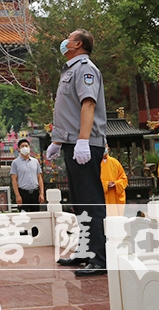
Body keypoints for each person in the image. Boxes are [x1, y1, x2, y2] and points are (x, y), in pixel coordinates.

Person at [45, 29, 107, 276]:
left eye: (68, 38)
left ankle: (99, 257)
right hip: (72, 144)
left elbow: (88, 105)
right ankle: (84, 251)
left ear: (78, 44)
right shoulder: (70, 70)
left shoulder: (85, 69)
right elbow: (67, 112)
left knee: (91, 200)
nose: (64, 41)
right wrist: (58, 142)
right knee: (79, 201)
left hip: (86, 144)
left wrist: (83, 141)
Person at [10, 138, 45, 212]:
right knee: (24, 217)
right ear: (19, 149)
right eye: (22, 146)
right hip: (23, 193)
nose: (25, 148)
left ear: (29, 148)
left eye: (26, 146)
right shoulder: (15, 163)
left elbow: (39, 178)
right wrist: (17, 195)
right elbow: (14, 180)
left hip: (35, 193)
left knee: (35, 216)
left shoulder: (35, 161)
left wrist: (41, 193)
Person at [100, 145, 128, 216]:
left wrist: (116, 184)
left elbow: (124, 179)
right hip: (101, 197)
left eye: (104, 148)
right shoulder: (95, 163)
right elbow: (91, 181)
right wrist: (105, 185)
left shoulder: (115, 163)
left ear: (108, 149)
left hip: (114, 196)